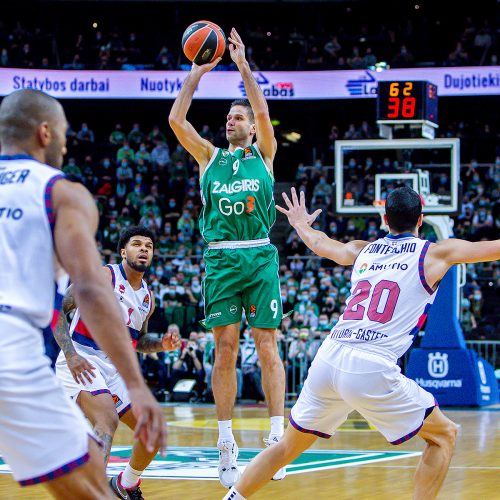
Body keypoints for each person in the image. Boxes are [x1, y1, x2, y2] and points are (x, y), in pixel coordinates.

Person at [224, 186, 500, 500]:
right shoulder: (435, 253)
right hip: (371, 364)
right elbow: (492, 248)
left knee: (287, 446)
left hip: (330, 356)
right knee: (444, 436)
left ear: (385, 219)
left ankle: (233, 496)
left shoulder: (363, 250)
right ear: (421, 219)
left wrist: (301, 224)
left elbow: (321, 243)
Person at [0, 89, 165, 499]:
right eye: (63, 133)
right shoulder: (61, 193)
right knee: (88, 488)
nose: (67, 142)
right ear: (44, 133)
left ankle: (127, 483)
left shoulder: (148, 296)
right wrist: (137, 384)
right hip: (13, 349)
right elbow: (91, 291)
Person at [169, 28, 286, 488]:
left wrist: (242, 66)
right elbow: (178, 122)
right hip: (219, 259)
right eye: (228, 116)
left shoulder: (266, 153)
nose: (231, 121)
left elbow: (262, 107)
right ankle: (225, 442)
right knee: (225, 350)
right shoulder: (209, 159)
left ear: (252, 127)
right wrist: (195, 76)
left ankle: (277, 439)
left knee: (268, 347)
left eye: (237, 117)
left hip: (258, 256)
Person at [54, 226, 181, 499]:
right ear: (124, 251)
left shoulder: (148, 297)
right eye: (137, 244)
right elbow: (57, 312)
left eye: (148, 245)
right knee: (106, 420)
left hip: (114, 369)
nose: (144, 249)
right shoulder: (101, 276)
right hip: (82, 358)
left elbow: (140, 341)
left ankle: (125, 484)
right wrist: (71, 356)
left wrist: (162, 345)